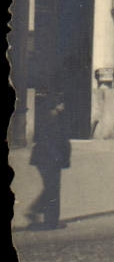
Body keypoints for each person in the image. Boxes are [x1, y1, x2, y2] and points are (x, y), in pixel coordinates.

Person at [25, 91, 71, 230]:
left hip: (48, 159)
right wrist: (57, 158)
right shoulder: (53, 119)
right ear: (57, 104)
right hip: (49, 160)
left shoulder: (54, 117)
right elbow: (50, 142)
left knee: (51, 189)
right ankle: (50, 220)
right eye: (62, 104)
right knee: (53, 189)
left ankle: (44, 216)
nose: (63, 107)